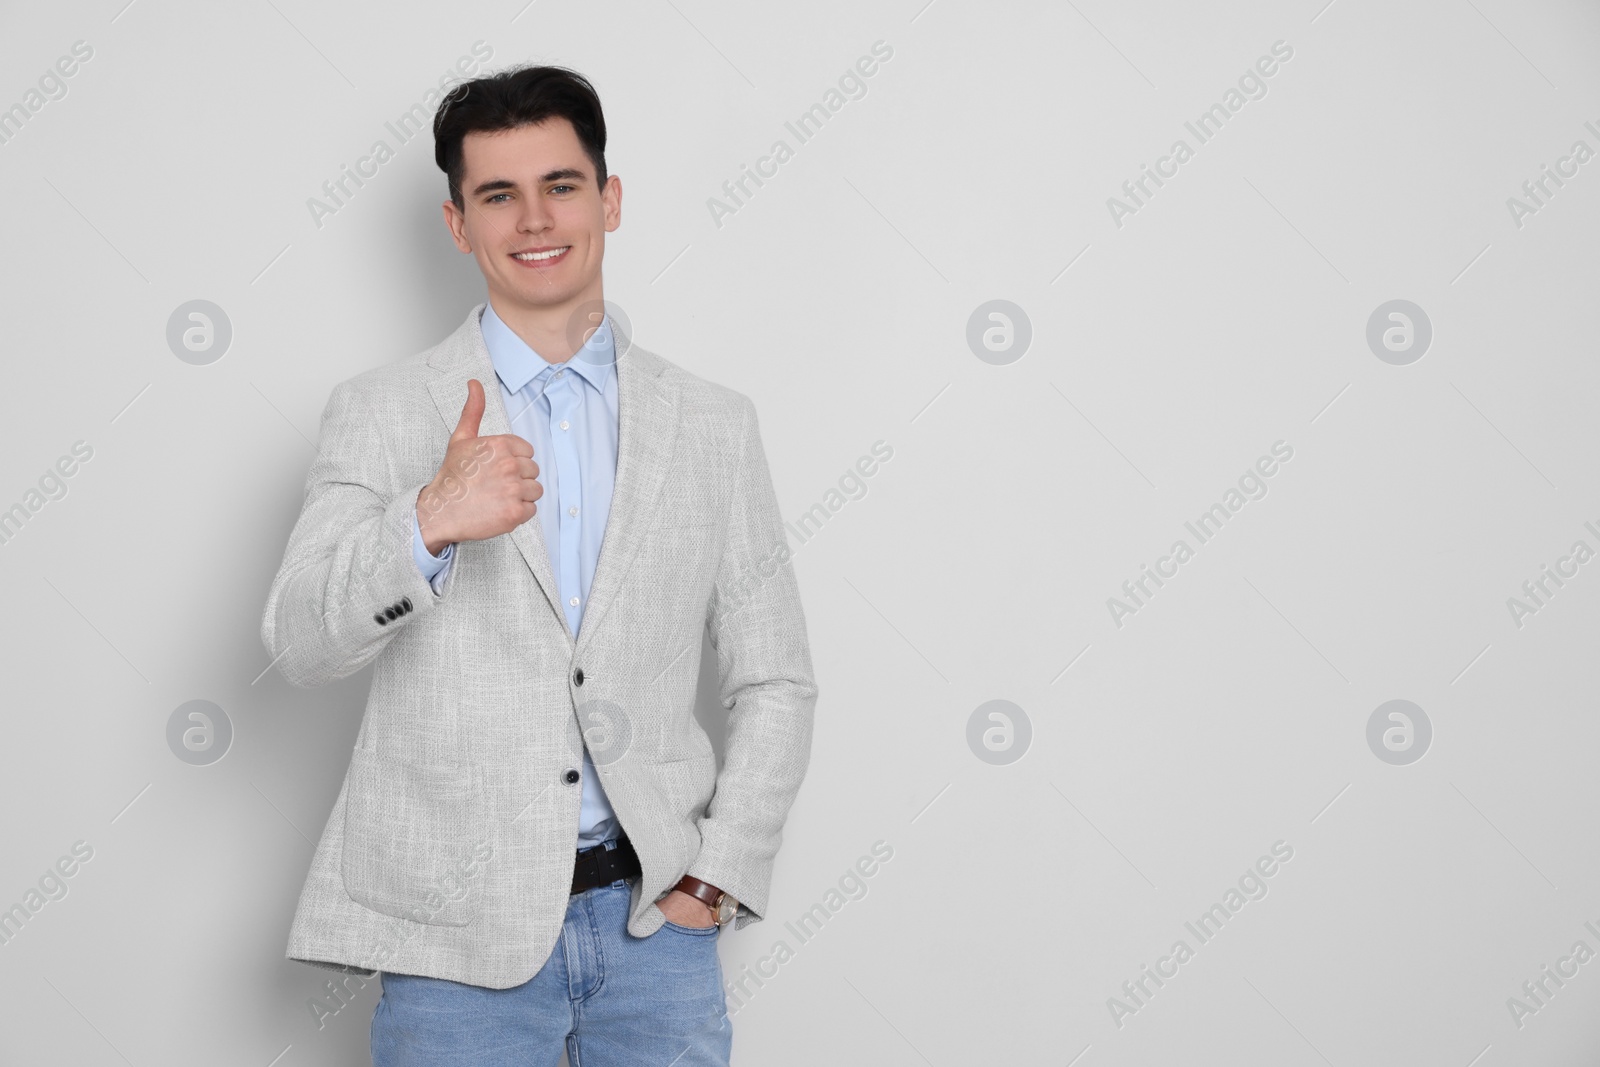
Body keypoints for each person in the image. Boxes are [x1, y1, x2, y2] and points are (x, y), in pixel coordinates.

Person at [259, 64, 817, 1067]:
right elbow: (298, 639)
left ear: (608, 198)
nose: (533, 219)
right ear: (456, 223)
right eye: (497, 195)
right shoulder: (383, 409)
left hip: (657, 933)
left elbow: (774, 677)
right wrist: (427, 521)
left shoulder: (713, 425)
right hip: (449, 942)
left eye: (560, 184)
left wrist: (716, 877)